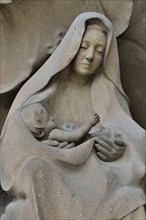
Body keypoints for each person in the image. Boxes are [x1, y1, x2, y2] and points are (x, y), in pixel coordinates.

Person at [1, 12, 145, 220]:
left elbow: (131, 134)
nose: (89, 56)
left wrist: (121, 149)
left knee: (130, 196)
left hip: (95, 175)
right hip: (54, 169)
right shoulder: (43, 92)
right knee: (35, 170)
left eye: (99, 50)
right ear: (72, 46)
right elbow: (15, 136)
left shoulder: (106, 93)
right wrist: (45, 149)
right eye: (84, 46)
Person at [21, 103, 100, 143]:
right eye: (48, 119)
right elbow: (76, 136)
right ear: (40, 133)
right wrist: (89, 123)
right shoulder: (53, 134)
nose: (53, 118)